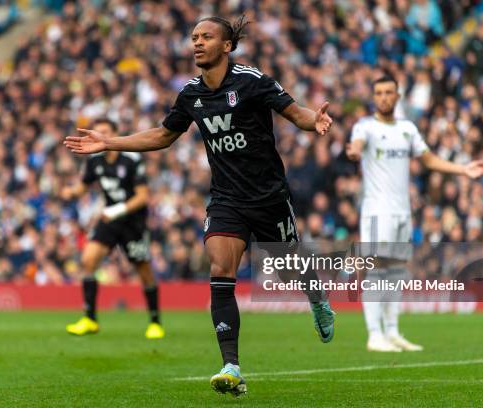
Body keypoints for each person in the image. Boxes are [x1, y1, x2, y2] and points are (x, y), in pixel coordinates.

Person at [64, 15, 334, 396]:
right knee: (221, 265)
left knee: (292, 270)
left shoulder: (252, 81)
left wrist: (314, 122)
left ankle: (317, 298)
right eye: (194, 37)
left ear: (227, 45)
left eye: (206, 36)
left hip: (269, 197)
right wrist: (110, 142)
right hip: (226, 199)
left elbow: (295, 111)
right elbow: (162, 135)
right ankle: (231, 366)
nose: (197, 42)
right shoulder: (190, 94)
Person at [346, 75, 483, 352]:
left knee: (397, 271)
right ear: (374, 97)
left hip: (402, 211)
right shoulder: (366, 127)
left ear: (398, 96)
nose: (384, 97)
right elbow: (357, 148)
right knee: (377, 270)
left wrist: (464, 169)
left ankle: (393, 331)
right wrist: (353, 152)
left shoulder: (407, 129)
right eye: (379, 93)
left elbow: (429, 160)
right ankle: (374, 334)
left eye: (389, 92)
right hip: (377, 210)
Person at [63, 119, 164, 340]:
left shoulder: (131, 158)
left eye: (106, 132)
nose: (100, 136)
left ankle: (155, 321)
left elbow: (143, 197)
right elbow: (83, 186)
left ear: (116, 134)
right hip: (109, 219)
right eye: (97, 132)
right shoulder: (94, 160)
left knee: (144, 271)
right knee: (88, 260)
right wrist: (71, 192)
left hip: (132, 221)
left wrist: (116, 210)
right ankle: (90, 319)